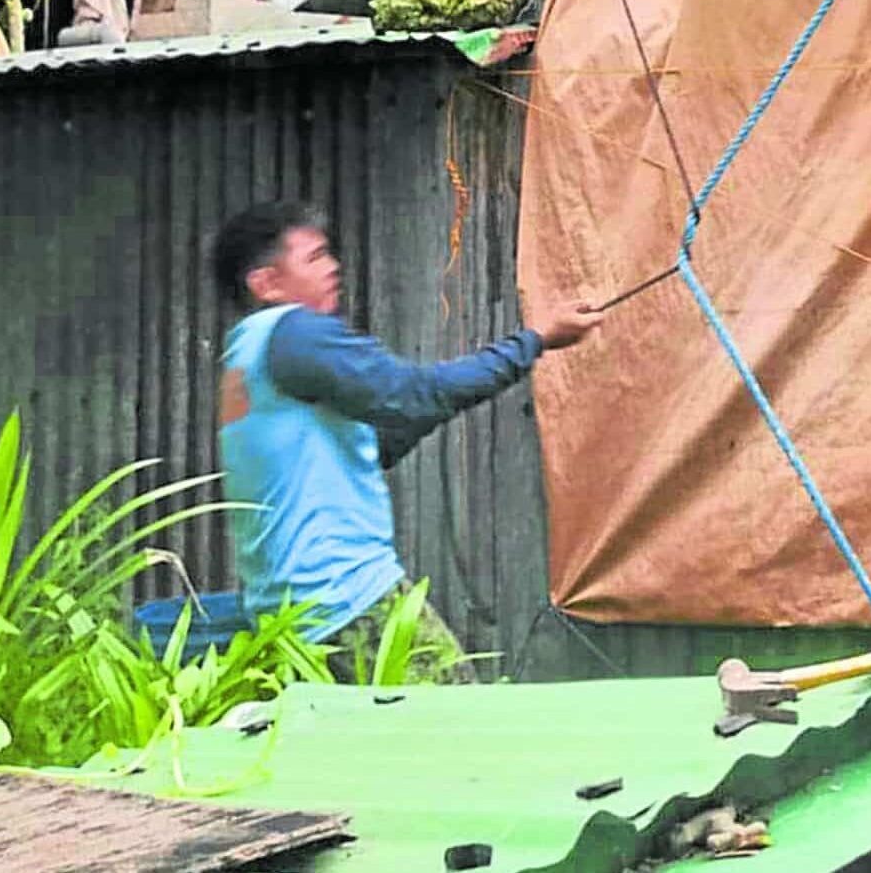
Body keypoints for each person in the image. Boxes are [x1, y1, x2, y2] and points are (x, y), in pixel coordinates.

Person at [210, 198, 602, 682]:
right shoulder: (297, 335)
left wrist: (425, 410)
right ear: (266, 284)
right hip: (349, 601)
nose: (333, 267)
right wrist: (536, 341)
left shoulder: (246, 355)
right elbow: (415, 396)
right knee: (462, 738)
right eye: (313, 258)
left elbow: (382, 435)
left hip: (287, 620)